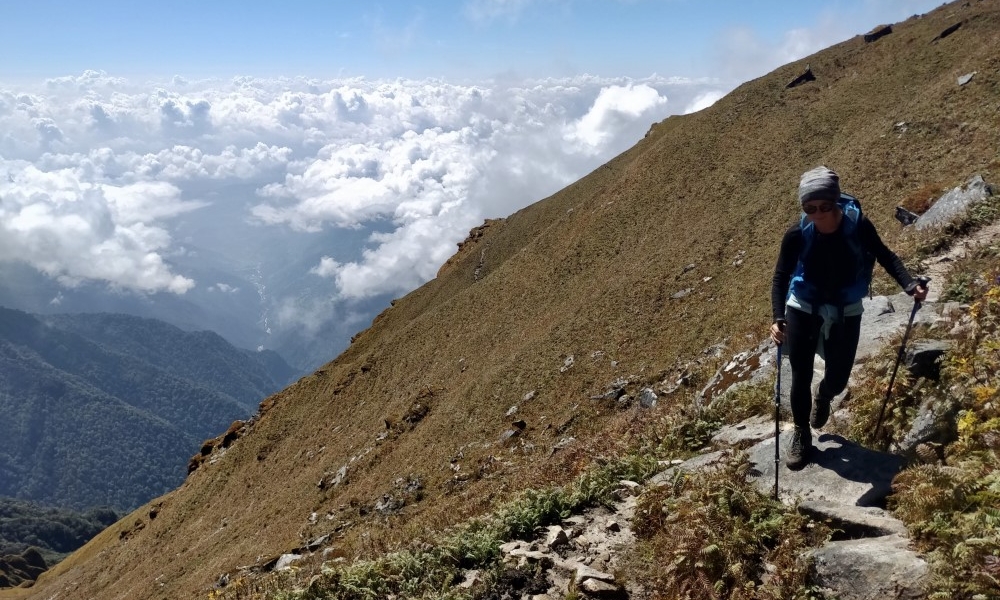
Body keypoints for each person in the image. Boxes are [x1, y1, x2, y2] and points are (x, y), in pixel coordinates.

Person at [769, 166, 928, 469]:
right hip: (803, 305)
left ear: (836, 202)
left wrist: (909, 284)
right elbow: (780, 277)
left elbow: (885, 255)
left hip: (845, 308)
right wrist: (778, 317)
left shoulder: (858, 226)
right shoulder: (797, 233)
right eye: (809, 208)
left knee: (839, 378)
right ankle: (802, 432)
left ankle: (824, 394)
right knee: (800, 373)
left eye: (825, 206)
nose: (818, 214)